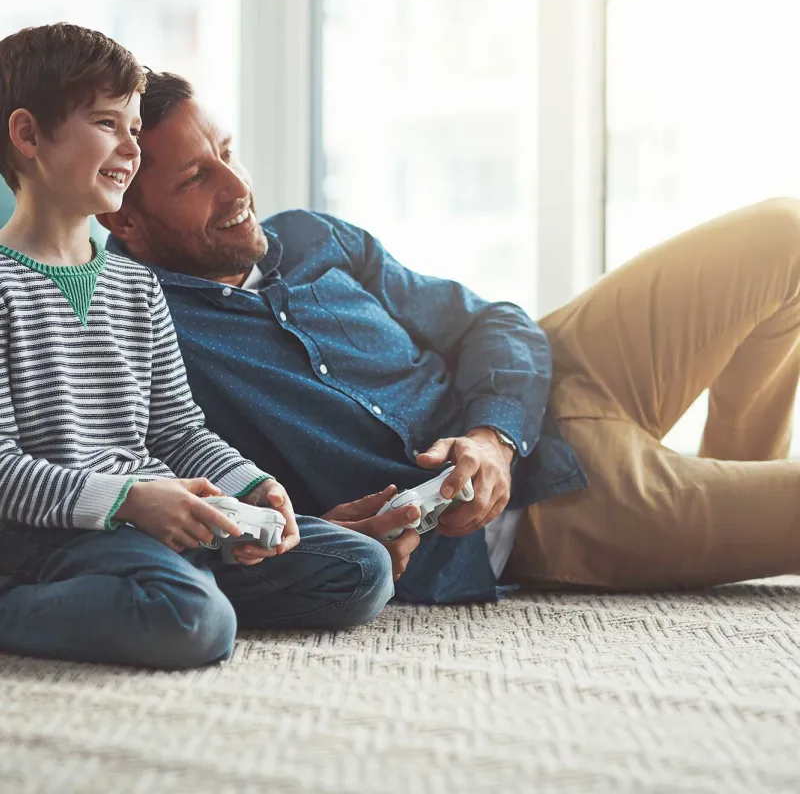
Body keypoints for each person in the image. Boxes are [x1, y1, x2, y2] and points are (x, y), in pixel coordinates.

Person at [102, 70, 800, 606]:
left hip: (554, 382)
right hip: (541, 508)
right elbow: (172, 511)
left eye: (228, 153)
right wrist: (322, 534)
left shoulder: (312, 238)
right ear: (125, 223)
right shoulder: (137, 334)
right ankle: (730, 509)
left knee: (784, 233)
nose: (236, 187)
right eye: (197, 177)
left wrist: (495, 435)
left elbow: (488, 321)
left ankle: (733, 479)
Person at [0, 25, 394, 670]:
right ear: (28, 136)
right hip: (53, 536)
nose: (130, 147)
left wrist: (254, 488)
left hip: (158, 516)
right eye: (107, 123)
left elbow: (178, 430)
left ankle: (172, 586)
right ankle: (168, 596)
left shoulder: (136, 286)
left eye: (133, 128)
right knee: (192, 623)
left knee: (360, 567)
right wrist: (129, 501)